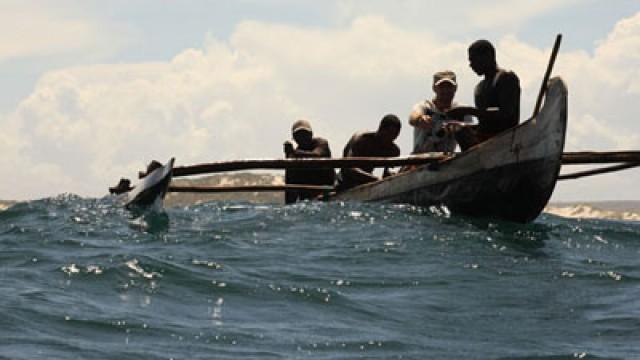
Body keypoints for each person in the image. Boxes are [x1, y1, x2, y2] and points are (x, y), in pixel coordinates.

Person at [446, 39, 521, 151]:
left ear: (488, 56)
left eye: (473, 60)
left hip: (505, 139)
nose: (471, 65)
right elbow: (484, 123)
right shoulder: (479, 88)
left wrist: (469, 111)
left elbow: (507, 113)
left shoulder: (505, 78)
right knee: (458, 128)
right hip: (484, 140)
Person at [408, 70, 471, 154]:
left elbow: (472, 133)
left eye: (449, 87)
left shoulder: (461, 111)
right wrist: (420, 119)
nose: (445, 91)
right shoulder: (425, 106)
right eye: (441, 87)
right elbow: (412, 117)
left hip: (447, 160)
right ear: (434, 88)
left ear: (455, 88)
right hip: (420, 160)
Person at [336, 114, 401, 192]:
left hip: (365, 183)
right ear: (381, 129)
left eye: (395, 135)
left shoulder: (393, 150)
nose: (391, 138)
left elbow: (386, 173)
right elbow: (349, 168)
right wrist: (375, 179)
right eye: (389, 134)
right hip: (344, 182)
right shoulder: (361, 140)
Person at [283, 120, 335, 204]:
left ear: (311, 134)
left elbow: (318, 156)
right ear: (294, 138)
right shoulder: (293, 156)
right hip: (307, 198)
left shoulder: (321, 143)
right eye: (299, 135)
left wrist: (294, 153)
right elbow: (290, 183)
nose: (303, 137)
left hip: (327, 191)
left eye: (305, 134)